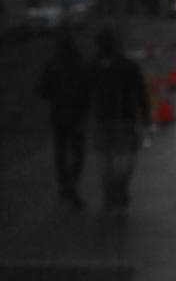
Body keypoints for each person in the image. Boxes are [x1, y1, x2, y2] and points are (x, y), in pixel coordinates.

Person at [88, 26, 149, 211]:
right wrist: (145, 115)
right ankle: (120, 186)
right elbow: (140, 91)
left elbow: (84, 91)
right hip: (125, 115)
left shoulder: (92, 65)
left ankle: (109, 192)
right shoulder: (128, 65)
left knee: (104, 156)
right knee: (126, 154)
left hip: (101, 116)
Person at [35, 29, 91, 210]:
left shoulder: (52, 65)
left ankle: (64, 185)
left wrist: (54, 96)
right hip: (76, 115)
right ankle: (70, 183)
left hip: (58, 115)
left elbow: (41, 90)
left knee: (60, 152)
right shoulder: (80, 64)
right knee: (78, 153)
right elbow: (86, 90)